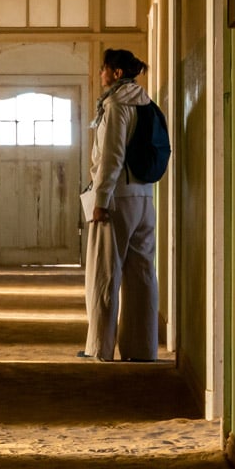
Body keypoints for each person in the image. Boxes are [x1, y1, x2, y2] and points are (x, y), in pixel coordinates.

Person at [78, 49, 159, 362]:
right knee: (141, 274)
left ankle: (100, 347)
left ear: (115, 73)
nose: (100, 74)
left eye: (103, 70)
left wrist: (100, 199)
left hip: (117, 198)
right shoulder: (146, 102)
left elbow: (111, 157)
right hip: (144, 196)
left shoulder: (114, 105)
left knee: (104, 272)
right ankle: (142, 348)